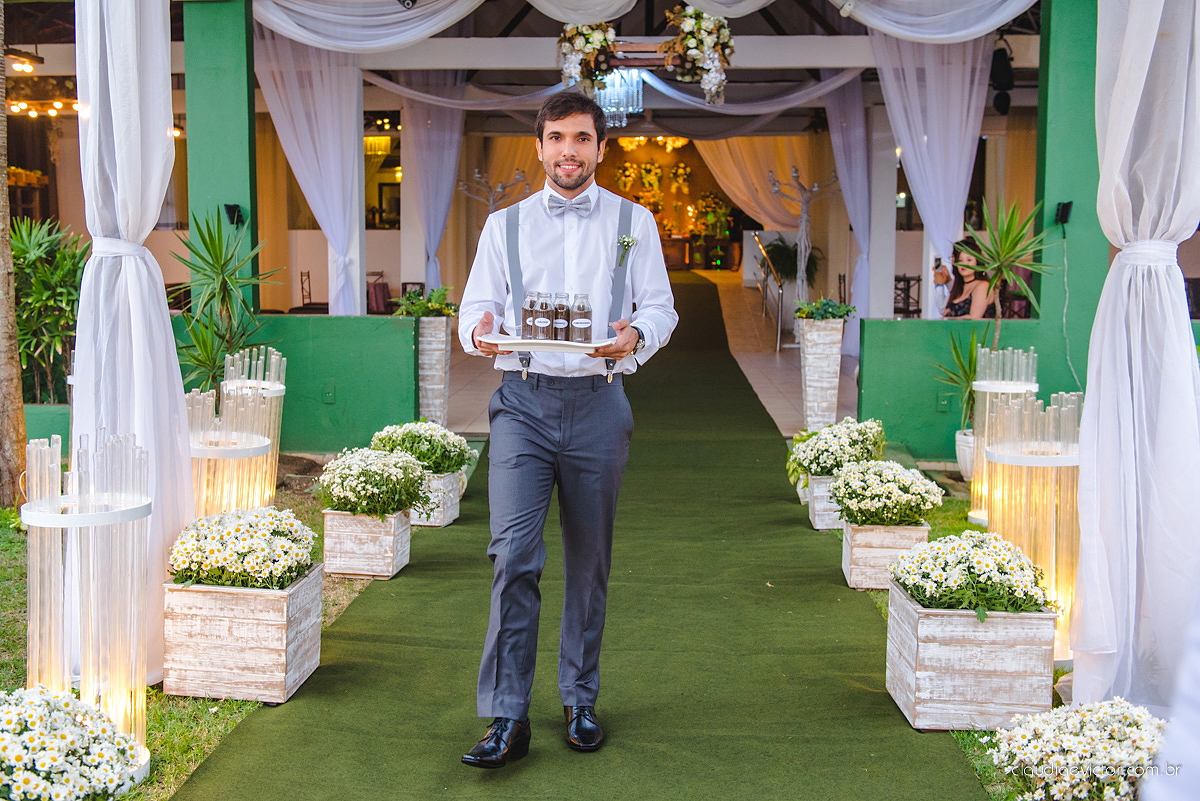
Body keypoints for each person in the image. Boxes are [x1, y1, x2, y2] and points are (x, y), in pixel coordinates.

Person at [456, 91, 679, 769]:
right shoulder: (505, 226)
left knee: (589, 563)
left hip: (599, 403)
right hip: (522, 402)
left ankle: (580, 699)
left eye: (582, 139)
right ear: (540, 145)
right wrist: (481, 332)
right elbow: (476, 309)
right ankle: (506, 714)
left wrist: (636, 332)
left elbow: (662, 307)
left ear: (600, 148)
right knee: (513, 554)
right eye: (556, 138)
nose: (568, 152)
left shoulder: (633, 221)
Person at [942, 239, 996, 319]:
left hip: (976, 331)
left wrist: (950, 318)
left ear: (977, 261)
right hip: (954, 330)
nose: (964, 264)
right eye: (960, 260)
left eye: (969, 260)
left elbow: (974, 318)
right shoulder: (959, 287)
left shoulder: (983, 286)